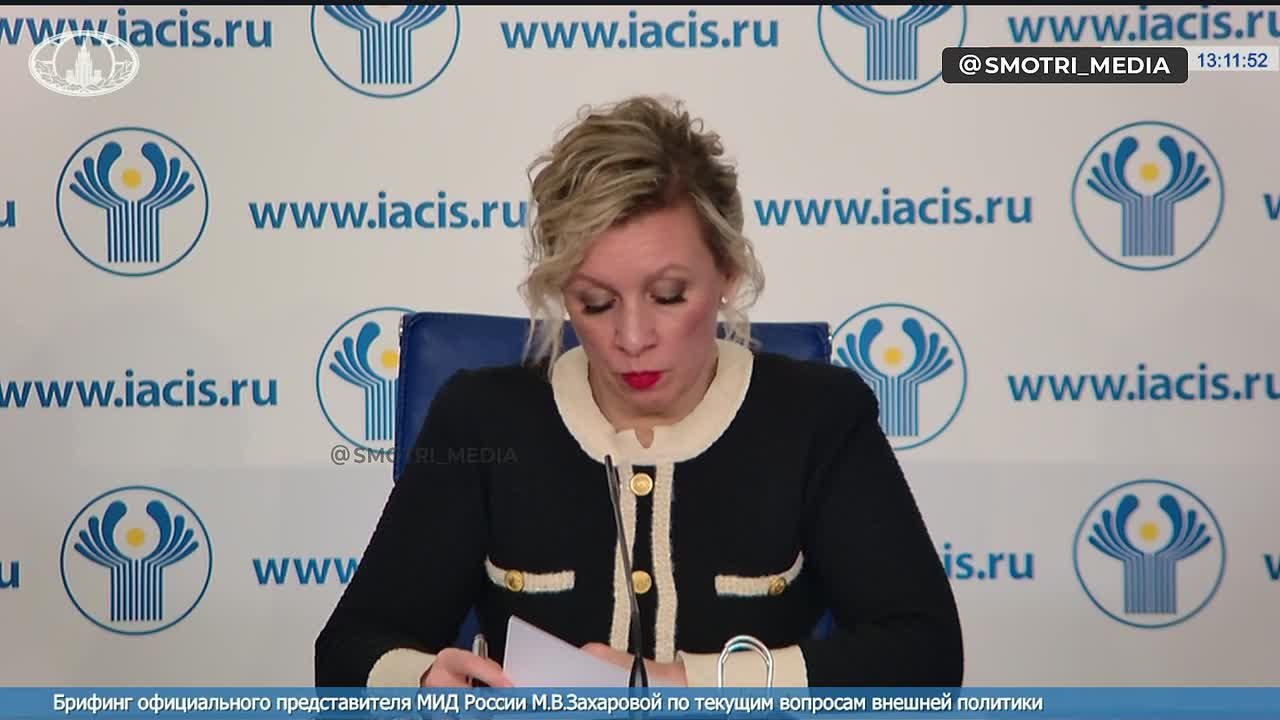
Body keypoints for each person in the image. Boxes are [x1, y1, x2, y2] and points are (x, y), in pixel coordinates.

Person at [314, 96, 963, 688]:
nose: (631, 338)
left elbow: (926, 652)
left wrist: (678, 682)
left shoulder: (819, 415)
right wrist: (424, 679)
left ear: (728, 273)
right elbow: (346, 651)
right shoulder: (481, 419)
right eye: (595, 302)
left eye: (669, 296)